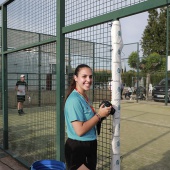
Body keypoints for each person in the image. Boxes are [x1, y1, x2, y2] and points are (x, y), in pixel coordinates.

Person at [64, 64, 112, 170]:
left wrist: (102, 113)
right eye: (84, 76)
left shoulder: (84, 96)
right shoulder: (74, 100)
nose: (88, 80)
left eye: (90, 76)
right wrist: (99, 115)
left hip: (89, 145)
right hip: (78, 147)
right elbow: (80, 130)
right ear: (75, 78)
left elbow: (89, 120)